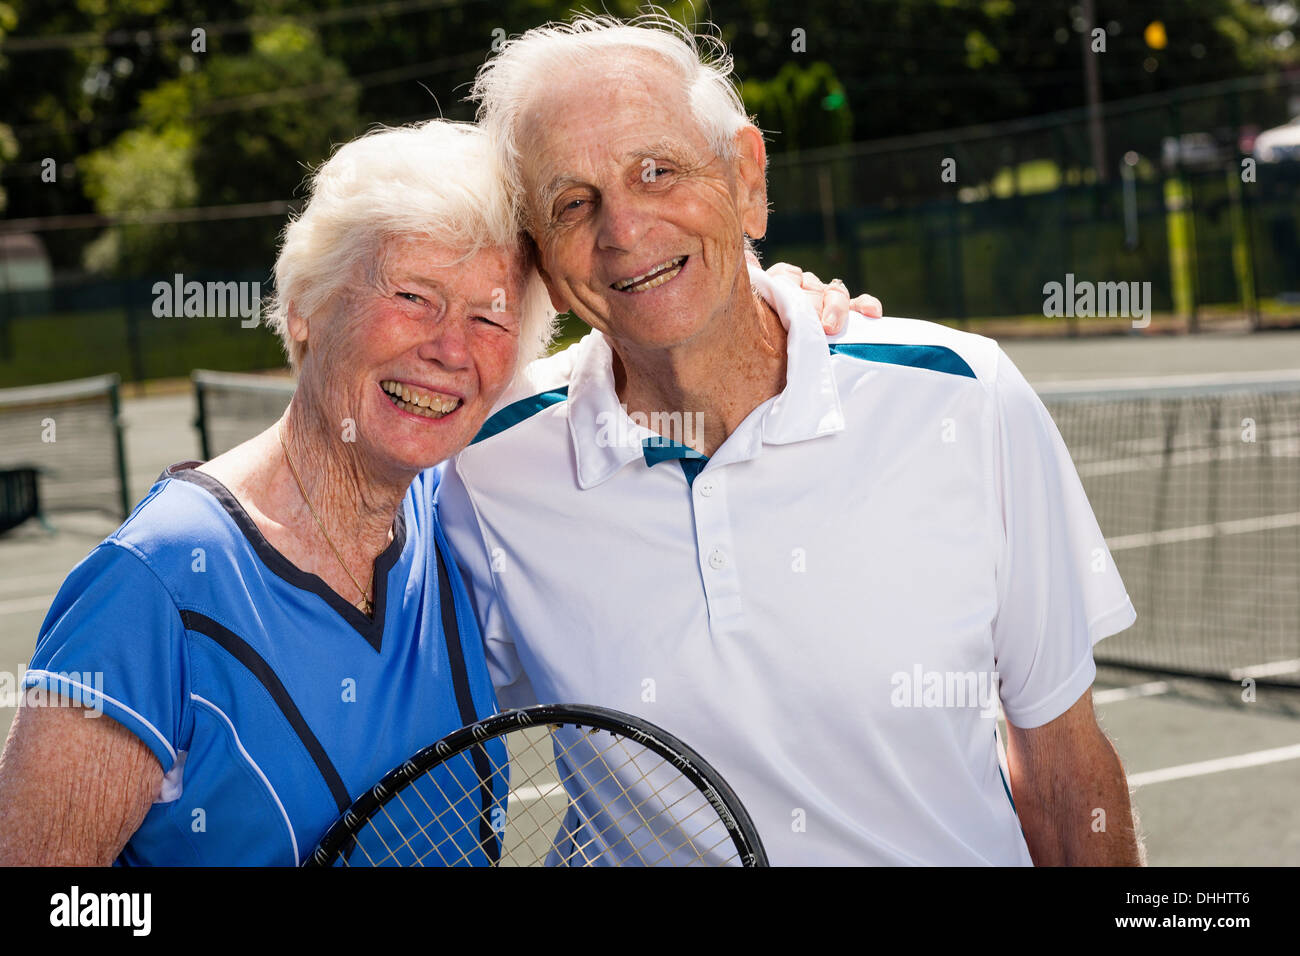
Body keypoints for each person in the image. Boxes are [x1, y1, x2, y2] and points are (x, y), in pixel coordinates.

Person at [0, 117, 869, 866]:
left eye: (490, 316)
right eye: (413, 296)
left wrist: (770, 304)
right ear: (305, 307)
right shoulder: (151, 587)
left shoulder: (463, 514)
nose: (452, 349)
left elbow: (645, 367)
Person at [440, 14, 1144, 866]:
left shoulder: (968, 396)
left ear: (747, 179)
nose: (623, 229)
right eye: (571, 202)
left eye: (657, 171)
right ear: (538, 255)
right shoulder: (481, 473)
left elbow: (1064, 772)